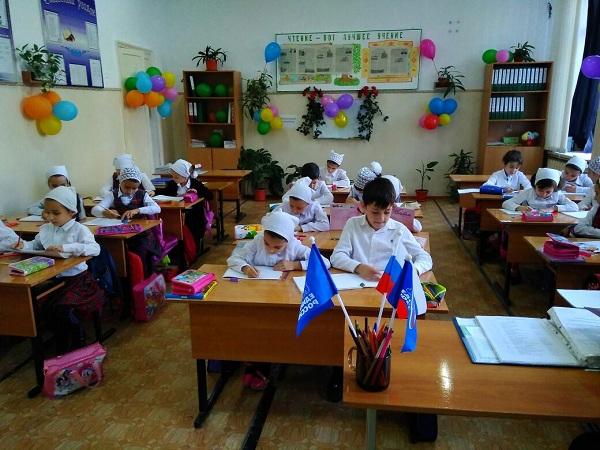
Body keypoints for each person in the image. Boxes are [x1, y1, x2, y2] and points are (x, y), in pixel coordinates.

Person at [15, 186, 105, 352]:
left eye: (56, 213)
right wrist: (22, 245)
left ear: (71, 212)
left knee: (61, 308)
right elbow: (35, 245)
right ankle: (61, 340)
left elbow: (95, 249)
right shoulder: (46, 229)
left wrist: (66, 247)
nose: (50, 217)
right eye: (47, 212)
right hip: (53, 279)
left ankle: (78, 339)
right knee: (42, 307)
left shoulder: (80, 230)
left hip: (78, 281)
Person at [331, 177, 432, 280]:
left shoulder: (399, 229)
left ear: (393, 207)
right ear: (363, 206)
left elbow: (425, 258)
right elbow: (336, 256)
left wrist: (412, 271)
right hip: (358, 282)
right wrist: (358, 267)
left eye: (387, 212)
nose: (381, 218)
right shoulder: (353, 224)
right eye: (375, 212)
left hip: (390, 284)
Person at [92, 167, 161, 276]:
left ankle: (144, 277)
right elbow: (95, 210)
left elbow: (157, 208)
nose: (130, 191)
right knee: (114, 252)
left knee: (141, 252)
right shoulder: (112, 194)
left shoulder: (142, 194)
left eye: (134, 188)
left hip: (140, 234)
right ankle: (124, 279)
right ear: (120, 182)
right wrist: (105, 213)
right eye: (127, 187)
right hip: (120, 233)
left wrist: (137, 210)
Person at [227, 210, 331, 277]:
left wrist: (295, 265)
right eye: (266, 243)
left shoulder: (294, 246)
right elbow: (233, 259)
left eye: (277, 247)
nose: (270, 250)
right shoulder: (258, 241)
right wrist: (244, 268)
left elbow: (325, 262)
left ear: (288, 241)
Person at [157, 159, 213, 244]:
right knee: (167, 222)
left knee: (189, 225)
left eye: (176, 177)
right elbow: (163, 192)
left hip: (193, 215)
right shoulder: (172, 184)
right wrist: (153, 192)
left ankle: (190, 245)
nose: (174, 179)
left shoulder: (195, 183)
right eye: (172, 176)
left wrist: (197, 192)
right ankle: (176, 243)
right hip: (176, 212)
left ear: (185, 176)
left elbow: (210, 195)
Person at [502, 168, 578, 212]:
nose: (543, 194)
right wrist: (520, 208)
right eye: (540, 190)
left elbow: (574, 207)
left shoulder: (557, 194)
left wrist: (553, 208)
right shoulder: (529, 192)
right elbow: (506, 203)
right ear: (535, 186)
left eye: (548, 192)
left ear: (554, 189)